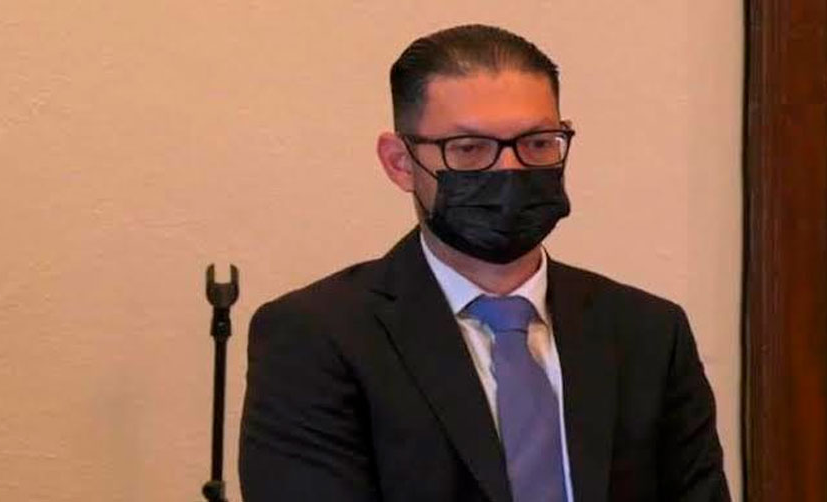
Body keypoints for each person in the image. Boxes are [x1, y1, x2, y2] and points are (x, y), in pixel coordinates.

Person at [239, 24, 730, 502]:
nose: (509, 169)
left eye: (537, 143)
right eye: (470, 149)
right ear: (400, 162)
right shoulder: (317, 337)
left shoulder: (648, 332)